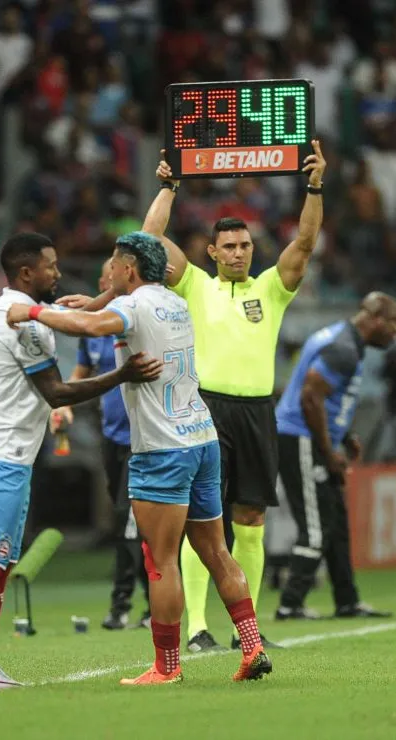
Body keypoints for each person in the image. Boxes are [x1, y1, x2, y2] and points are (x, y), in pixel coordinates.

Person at [7, 232, 272, 685]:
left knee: (160, 560)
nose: (108, 270)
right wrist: (97, 300)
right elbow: (119, 306)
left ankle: (166, 668)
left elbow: (93, 329)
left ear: (128, 269)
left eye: (113, 263)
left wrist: (31, 311)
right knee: (216, 551)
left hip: (162, 449)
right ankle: (252, 646)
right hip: (201, 438)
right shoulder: (174, 301)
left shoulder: (132, 307)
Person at [0, 232, 162, 691]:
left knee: (1, 559)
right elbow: (57, 393)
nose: (58, 272)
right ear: (27, 273)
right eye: (50, 266)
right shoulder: (24, 326)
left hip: (5, 451)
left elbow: (69, 320)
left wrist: (102, 297)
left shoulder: (10, 307)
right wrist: (122, 375)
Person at [143, 141, 327, 653]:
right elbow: (149, 237)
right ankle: (198, 626)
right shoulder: (196, 286)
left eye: (245, 245)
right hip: (205, 410)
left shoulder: (271, 288)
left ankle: (247, 625)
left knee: (251, 520)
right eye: (229, 247)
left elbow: (307, 241)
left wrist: (314, 186)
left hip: (256, 412)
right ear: (213, 251)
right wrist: (168, 187)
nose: (239, 253)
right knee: (204, 519)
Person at [274, 293, 396, 620]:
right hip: (299, 438)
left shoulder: (343, 340)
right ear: (374, 318)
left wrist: (343, 436)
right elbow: (309, 396)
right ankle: (291, 604)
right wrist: (329, 449)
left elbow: (323, 397)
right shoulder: (344, 349)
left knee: (336, 522)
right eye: (392, 322)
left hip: (313, 437)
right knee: (315, 528)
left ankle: (347, 601)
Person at [51, 257, 149, 630]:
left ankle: (121, 605)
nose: (110, 284)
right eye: (105, 278)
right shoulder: (93, 334)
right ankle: (151, 605)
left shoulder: (141, 320)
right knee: (129, 522)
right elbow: (80, 375)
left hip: (143, 438)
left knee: (127, 519)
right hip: (113, 437)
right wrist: (64, 406)